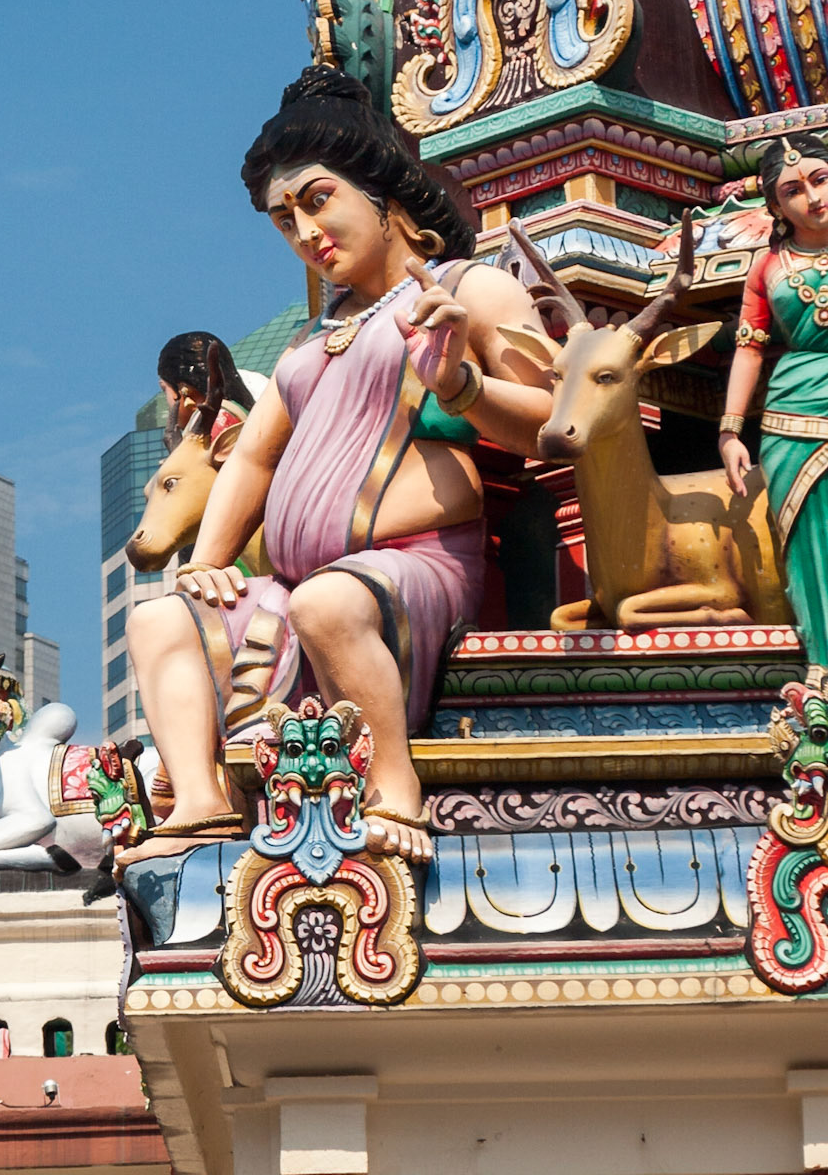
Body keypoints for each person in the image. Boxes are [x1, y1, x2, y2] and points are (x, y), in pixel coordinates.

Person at [125, 65, 553, 864]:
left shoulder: (469, 288)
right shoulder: (308, 343)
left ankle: (395, 790)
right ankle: (201, 801)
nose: (306, 233)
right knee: (157, 620)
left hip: (417, 570)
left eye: (318, 200)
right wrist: (207, 564)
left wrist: (459, 382)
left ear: (382, 194)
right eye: (284, 220)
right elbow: (251, 456)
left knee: (327, 605)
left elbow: (559, 427)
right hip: (303, 589)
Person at [719, 135, 828, 667]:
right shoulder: (767, 268)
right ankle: (823, 670)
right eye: (793, 190)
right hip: (796, 418)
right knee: (813, 546)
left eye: (820, 178)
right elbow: (749, 349)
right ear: (776, 207)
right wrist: (730, 431)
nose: (812, 196)